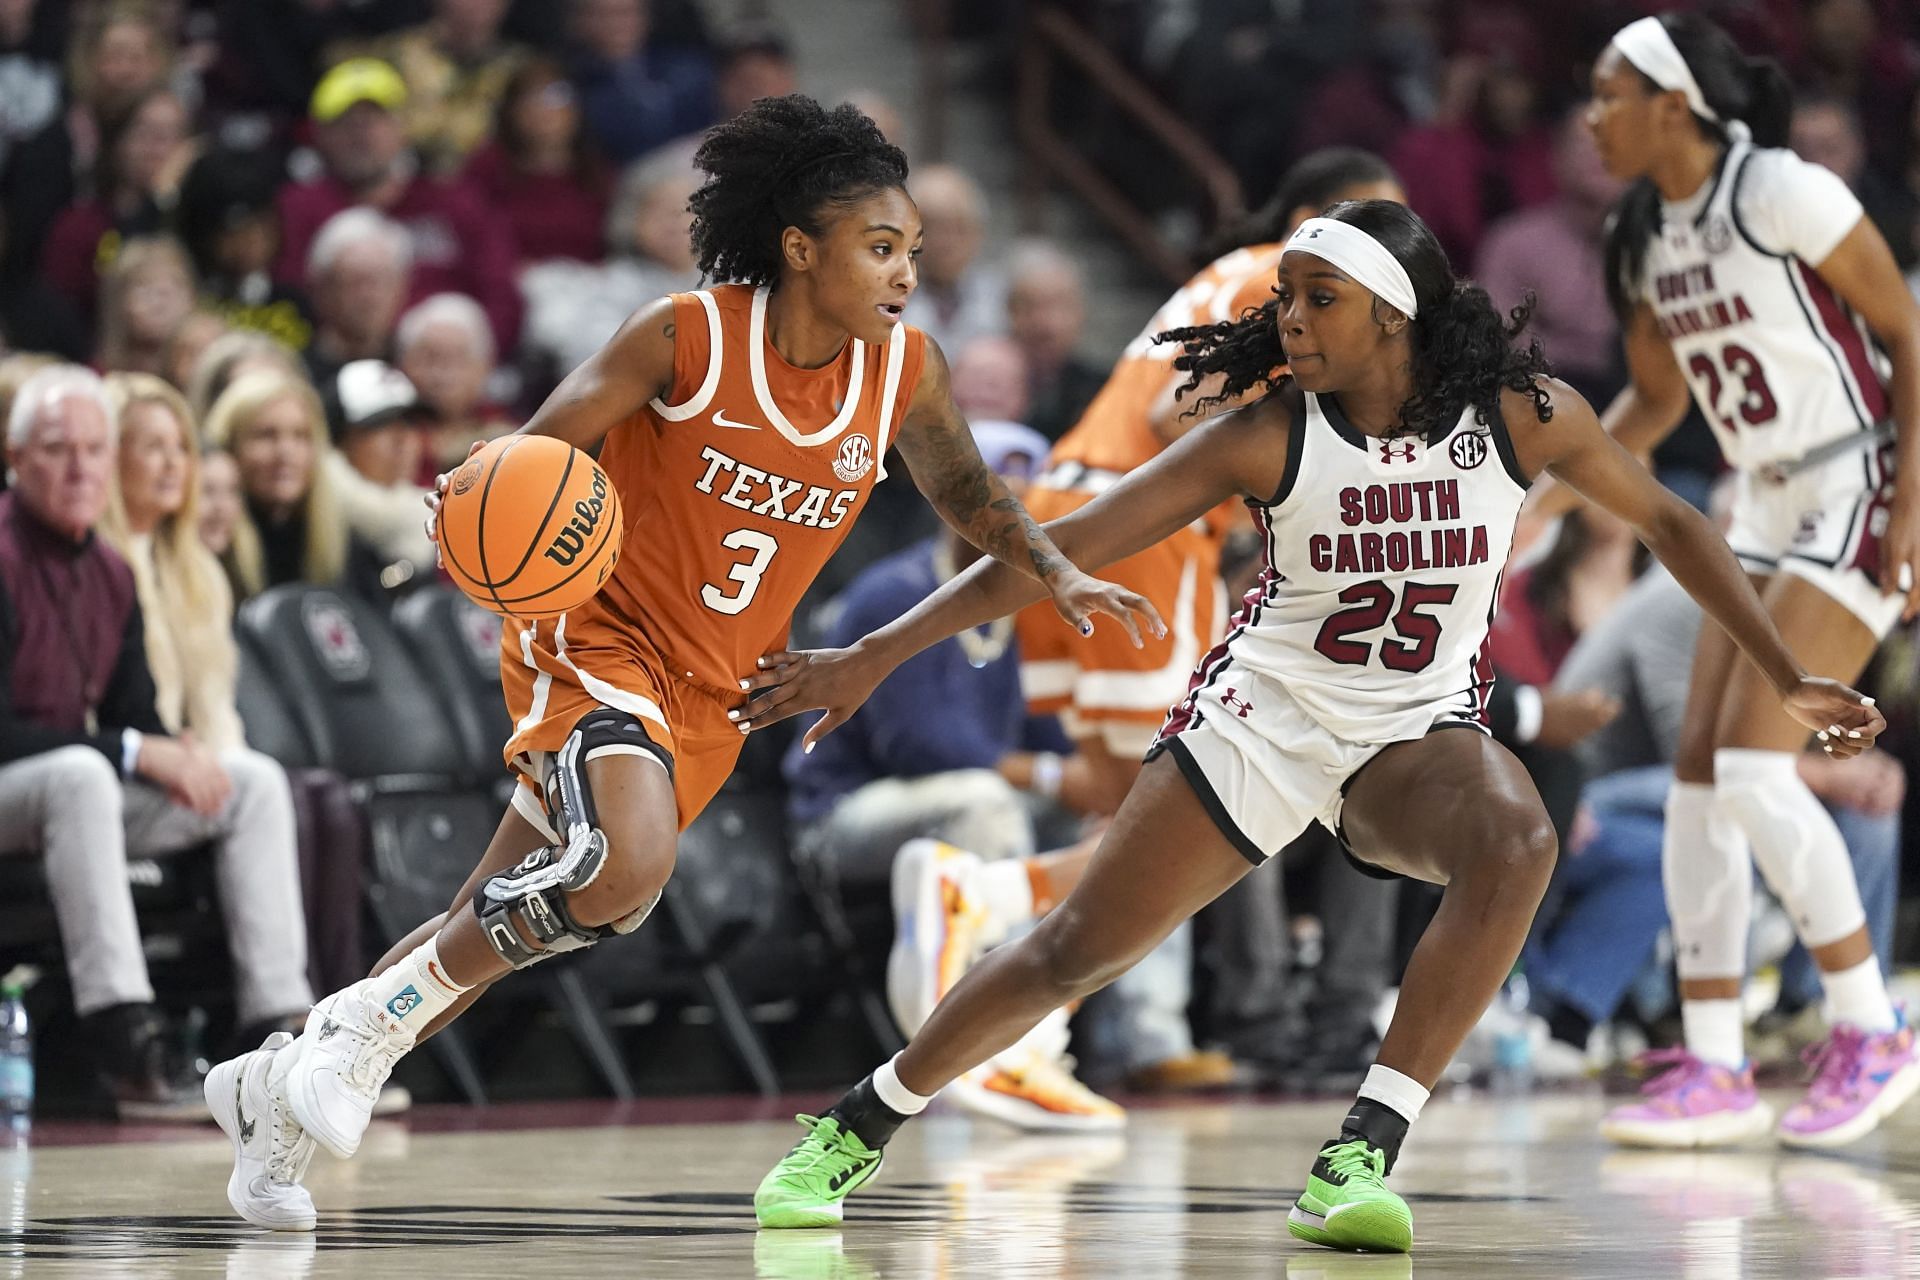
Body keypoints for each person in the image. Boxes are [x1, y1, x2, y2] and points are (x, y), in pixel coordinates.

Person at [745, 197, 1883, 1254]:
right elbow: (1061, 547)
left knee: (1519, 837)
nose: (1288, 316)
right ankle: (854, 1122)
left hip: (1412, 732)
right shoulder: (1269, 433)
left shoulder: (1525, 416)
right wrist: (873, 650)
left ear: (1394, 313)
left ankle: (1357, 1156)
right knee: (1077, 948)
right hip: (1262, 723)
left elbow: (1677, 522)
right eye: (1282, 295)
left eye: (1316, 297)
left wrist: (1785, 673)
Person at [202, 94, 1151, 1233]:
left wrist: (1056, 567)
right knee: (625, 872)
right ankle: (357, 1038)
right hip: (596, 638)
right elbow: (534, 454)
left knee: (487, 913)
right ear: (802, 248)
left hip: (711, 690)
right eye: (881, 247)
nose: (909, 271)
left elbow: (968, 493)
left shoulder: (905, 370)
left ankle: (276, 1090)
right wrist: (472, 506)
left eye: (911, 250)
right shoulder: (685, 335)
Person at [1557, 13, 1920, 1148]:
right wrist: (1546, 495)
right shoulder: (1640, 234)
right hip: (1754, 499)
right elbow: (1657, 404)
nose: (1591, 115)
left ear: (1675, 103)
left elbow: (1911, 335)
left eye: (1610, 94)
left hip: (1856, 477)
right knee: (1702, 780)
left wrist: (1912, 506)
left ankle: (1872, 1023)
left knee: (1762, 769)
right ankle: (1713, 1061)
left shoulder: (1782, 192)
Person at [0, 365, 312, 1120]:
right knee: (82, 773)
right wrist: (141, 753)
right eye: (55, 449)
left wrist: (177, 748)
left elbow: (130, 712)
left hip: (68, 796)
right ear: (14, 461)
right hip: (27, 784)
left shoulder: (109, 569)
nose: (79, 467)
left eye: (92, 449)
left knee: (253, 781)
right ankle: (124, 1038)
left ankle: (281, 1034)